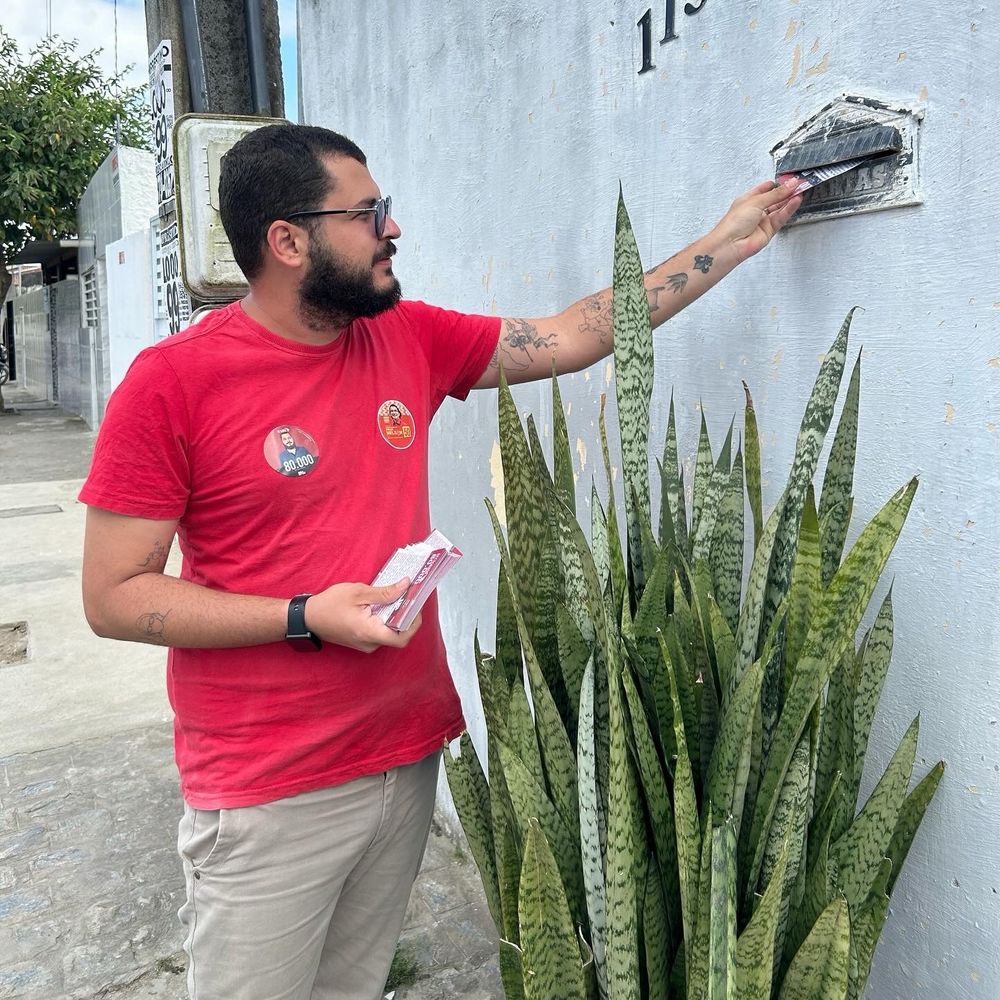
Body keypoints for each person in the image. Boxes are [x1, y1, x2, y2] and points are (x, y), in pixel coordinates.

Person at [80, 123, 801, 1000]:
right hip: (270, 793)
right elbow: (115, 597)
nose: (394, 228)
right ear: (288, 240)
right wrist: (304, 614)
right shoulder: (173, 383)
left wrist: (729, 240)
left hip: (401, 761)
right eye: (370, 212)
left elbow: (574, 333)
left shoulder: (406, 339)